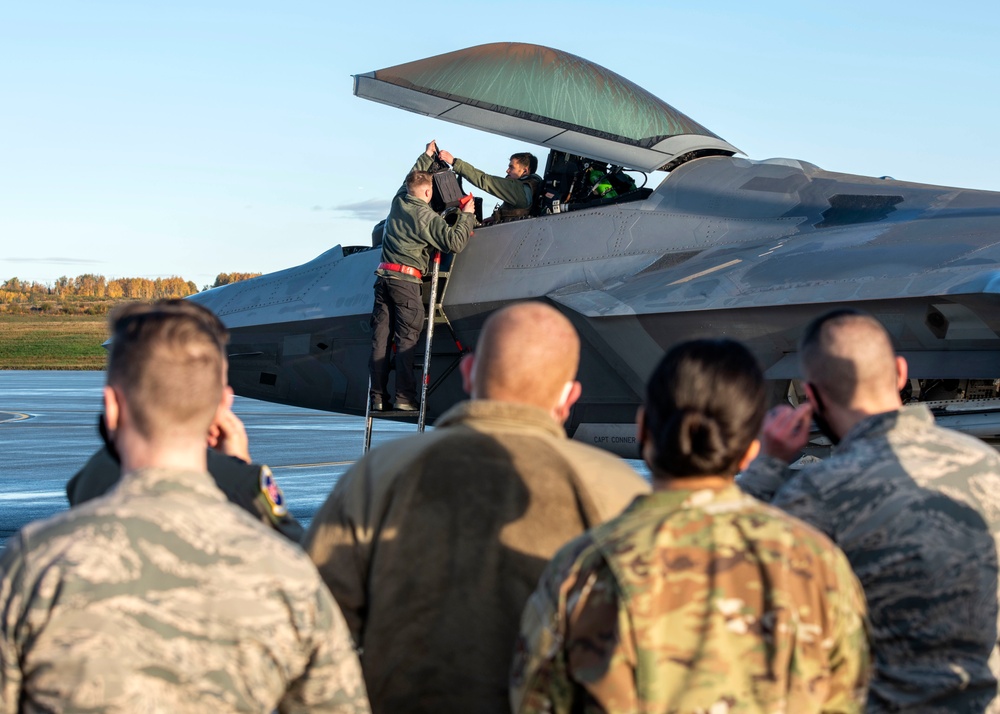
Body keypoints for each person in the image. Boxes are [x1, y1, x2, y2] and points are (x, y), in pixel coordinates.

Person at [0, 299, 370, 713]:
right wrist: (245, 482)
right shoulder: (287, 575)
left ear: (112, 408)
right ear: (223, 407)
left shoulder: (35, 563)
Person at [304, 301, 649, 714]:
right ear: (570, 396)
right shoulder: (618, 492)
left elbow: (312, 625)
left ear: (468, 374)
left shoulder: (379, 474)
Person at [512, 338, 870, 713]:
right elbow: (848, 698)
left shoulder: (584, 568)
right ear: (751, 447)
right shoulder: (817, 564)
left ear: (643, 429)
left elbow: (536, 701)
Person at [738, 308, 1000, 713]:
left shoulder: (817, 494)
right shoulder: (989, 466)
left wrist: (767, 468)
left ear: (813, 396)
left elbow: (727, 569)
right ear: (899, 372)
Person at [66, 408, 305, 542]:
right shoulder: (239, 484)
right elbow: (313, 580)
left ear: (111, 406)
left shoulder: (39, 560)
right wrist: (240, 474)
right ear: (223, 403)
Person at [370, 140, 476, 412]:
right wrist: (466, 215)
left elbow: (412, 176)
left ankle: (377, 397)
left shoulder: (399, 200)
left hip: (383, 280)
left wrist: (426, 156)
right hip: (406, 284)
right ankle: (405, 397)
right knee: (406, 342)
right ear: (429, 192)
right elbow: (454, 242)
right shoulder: (425, 217)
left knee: (381, 342)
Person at [438, 149, 541, 221]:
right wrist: (495, 218)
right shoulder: (529, 188)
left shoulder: (520, 191)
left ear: (525, 171)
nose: (507, 170)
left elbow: (485, 181)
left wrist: (454, 162)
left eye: (511, 167)